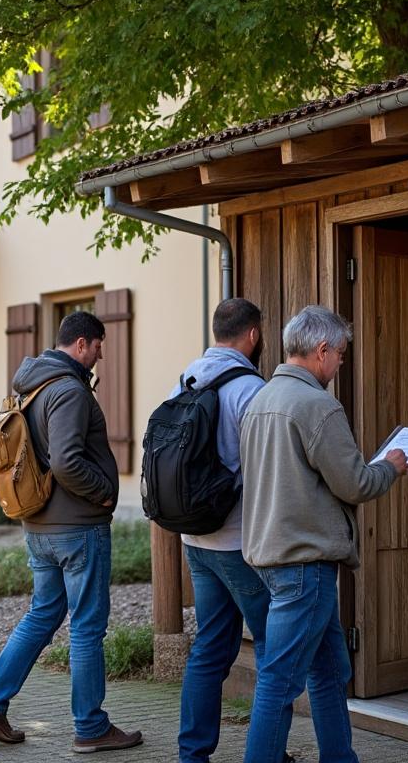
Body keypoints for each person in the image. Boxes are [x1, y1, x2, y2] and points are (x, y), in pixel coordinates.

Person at [239, 306, 408, 763]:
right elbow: (355, 483)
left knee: (331, 671)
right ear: (322, 350)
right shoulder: (318, 405)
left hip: (271, 560)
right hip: (305, 566)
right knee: (279, 682)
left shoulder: (260, 400)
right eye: (340, 355)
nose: (340, 364)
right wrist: (390, 467)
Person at [0, 312, 142, 754]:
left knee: (42, 614)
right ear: (81, 344)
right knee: (86, 627)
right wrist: (104, 492)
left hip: (40, 525)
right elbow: (66, 461)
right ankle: (90, 726)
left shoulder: (31, 384)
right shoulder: (68, 390)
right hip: (77, 527)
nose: (102, 353)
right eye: (99, 345)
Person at [171, 298, 271, 763]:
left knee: (210, 647)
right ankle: (267, 751)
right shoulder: (250, 389)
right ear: (252, 336)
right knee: (275, 647)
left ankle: (193, 754)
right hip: (238, 541)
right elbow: (269, 467)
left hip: (195, 539)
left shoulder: (185, 378)